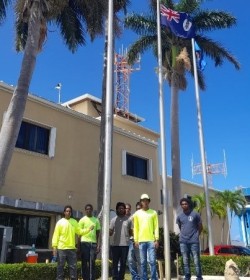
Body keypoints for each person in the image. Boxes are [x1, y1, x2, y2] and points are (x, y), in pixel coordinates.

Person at [52, 205, 93, 280]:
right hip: (61, 249)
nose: (68, 212)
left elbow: (80, 231)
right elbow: (55, 235)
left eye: (70, 211)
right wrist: (54, 247)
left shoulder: (74, 222)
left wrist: (89, 229)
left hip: (71, 249)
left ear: (71, 213)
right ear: (64, 212)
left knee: (73, 268)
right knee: (60, 267)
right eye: (67, 211)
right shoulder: (60, 222)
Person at [133, 194, 159, 280]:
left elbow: (156, 226)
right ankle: (144, 278)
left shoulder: (153, 213)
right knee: (143, 262)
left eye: (146, 200)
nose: (145, 202)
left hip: (151, 241)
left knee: (152, 261)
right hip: (141, 241)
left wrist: (156, 239)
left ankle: (154, 278)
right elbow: (135, 228)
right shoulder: (137, 214)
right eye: (143, 200)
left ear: (149, 201)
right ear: (141, 202)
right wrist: (136, 240)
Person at [176, 198, 203, 280]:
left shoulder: (195, 214)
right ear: (181, 205)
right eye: (182, 204)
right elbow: (180, 227)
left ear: (188, 204)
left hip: (194, 241)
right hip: (183, 242)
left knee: (196, 260)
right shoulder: (179, 216)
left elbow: (200, 227)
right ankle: (187, 276)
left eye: (185, 204)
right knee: (185, 260)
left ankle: (199, 277)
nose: (184, 205)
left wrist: (196, 235)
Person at [109, 202, 132, 280]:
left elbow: (130, 232)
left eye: (123, 208)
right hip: (115, 245)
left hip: (125, 245)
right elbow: (110, 233)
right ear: (117, 209)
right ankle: (115, 278)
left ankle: (121, 278)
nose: (121, 209)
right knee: (115, 264)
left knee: (123, 264)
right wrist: (107, 230)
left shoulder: (128, 220)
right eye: (120, 208)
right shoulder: (113, 220)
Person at [78, 204, 101, 280]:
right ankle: (85, 278)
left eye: (90, 209)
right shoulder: (82, 220)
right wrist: (78, 246)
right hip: (84, 243)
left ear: (92, 210)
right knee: (84, 262)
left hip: (93, 244)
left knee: (92, 262)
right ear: (85, 210)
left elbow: (98, 234)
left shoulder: (96, 220)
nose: (89, 210)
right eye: (87, 209)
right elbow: (79, 234)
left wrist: (98, 245)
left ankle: (92, 278)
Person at [127, 201, 141, 280]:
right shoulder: (128, 218)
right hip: (129, 241)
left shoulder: (135, 217)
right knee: (130, 259)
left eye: (128, 208)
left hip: (138, 241)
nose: (127, 210)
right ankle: (135, 277)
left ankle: (140, 276)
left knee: (139, 259)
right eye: (126, 208)